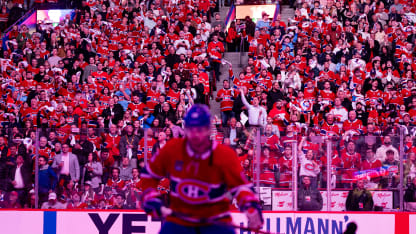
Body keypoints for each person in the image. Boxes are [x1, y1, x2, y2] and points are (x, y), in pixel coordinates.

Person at [141, 104, 263, 233]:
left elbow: (241, 187)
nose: (195, 135)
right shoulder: (172, 149)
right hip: (179, 219)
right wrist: (150, 197)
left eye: (200, 130)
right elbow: (149, 175)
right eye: (191, 129)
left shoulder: (224, 155)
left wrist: (251, 207)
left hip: (215, 221)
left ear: (209, 130)